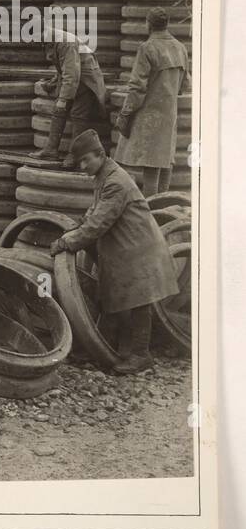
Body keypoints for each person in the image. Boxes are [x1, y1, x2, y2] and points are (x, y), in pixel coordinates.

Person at [49, 128, 180, 374]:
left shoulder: (115, 182)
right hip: (127, 246)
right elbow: (94, 212)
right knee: (112, 296)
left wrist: (68, 241)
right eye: (80, 162)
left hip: (139, 248)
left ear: (100, 154)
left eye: (86, 160)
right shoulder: (104, 175)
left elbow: (98, 223)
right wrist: (78, 227)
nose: (82, 166)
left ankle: (141, 356)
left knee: (141, 301)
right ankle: (102, 347)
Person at [115, 8, 189, 195]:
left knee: (150, 166)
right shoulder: (180, 47)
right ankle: (163, 210)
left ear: (148, 24)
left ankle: (152, 215)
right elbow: (185, 84)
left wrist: (125, 114)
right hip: (169, 114)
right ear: (167, 24)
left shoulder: (147, 48)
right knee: (164, 161)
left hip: (148, 114)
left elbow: (137, 88)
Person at [33, 26, 111, 165]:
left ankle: (74, 155)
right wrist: (53, 83)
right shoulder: (52, 41)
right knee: (58, 111)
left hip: (86, 81)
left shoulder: (65, 42)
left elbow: (72, 73)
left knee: (77, 114)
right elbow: (63, 67)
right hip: (75, 78)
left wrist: (63, 99)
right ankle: (51, 150)